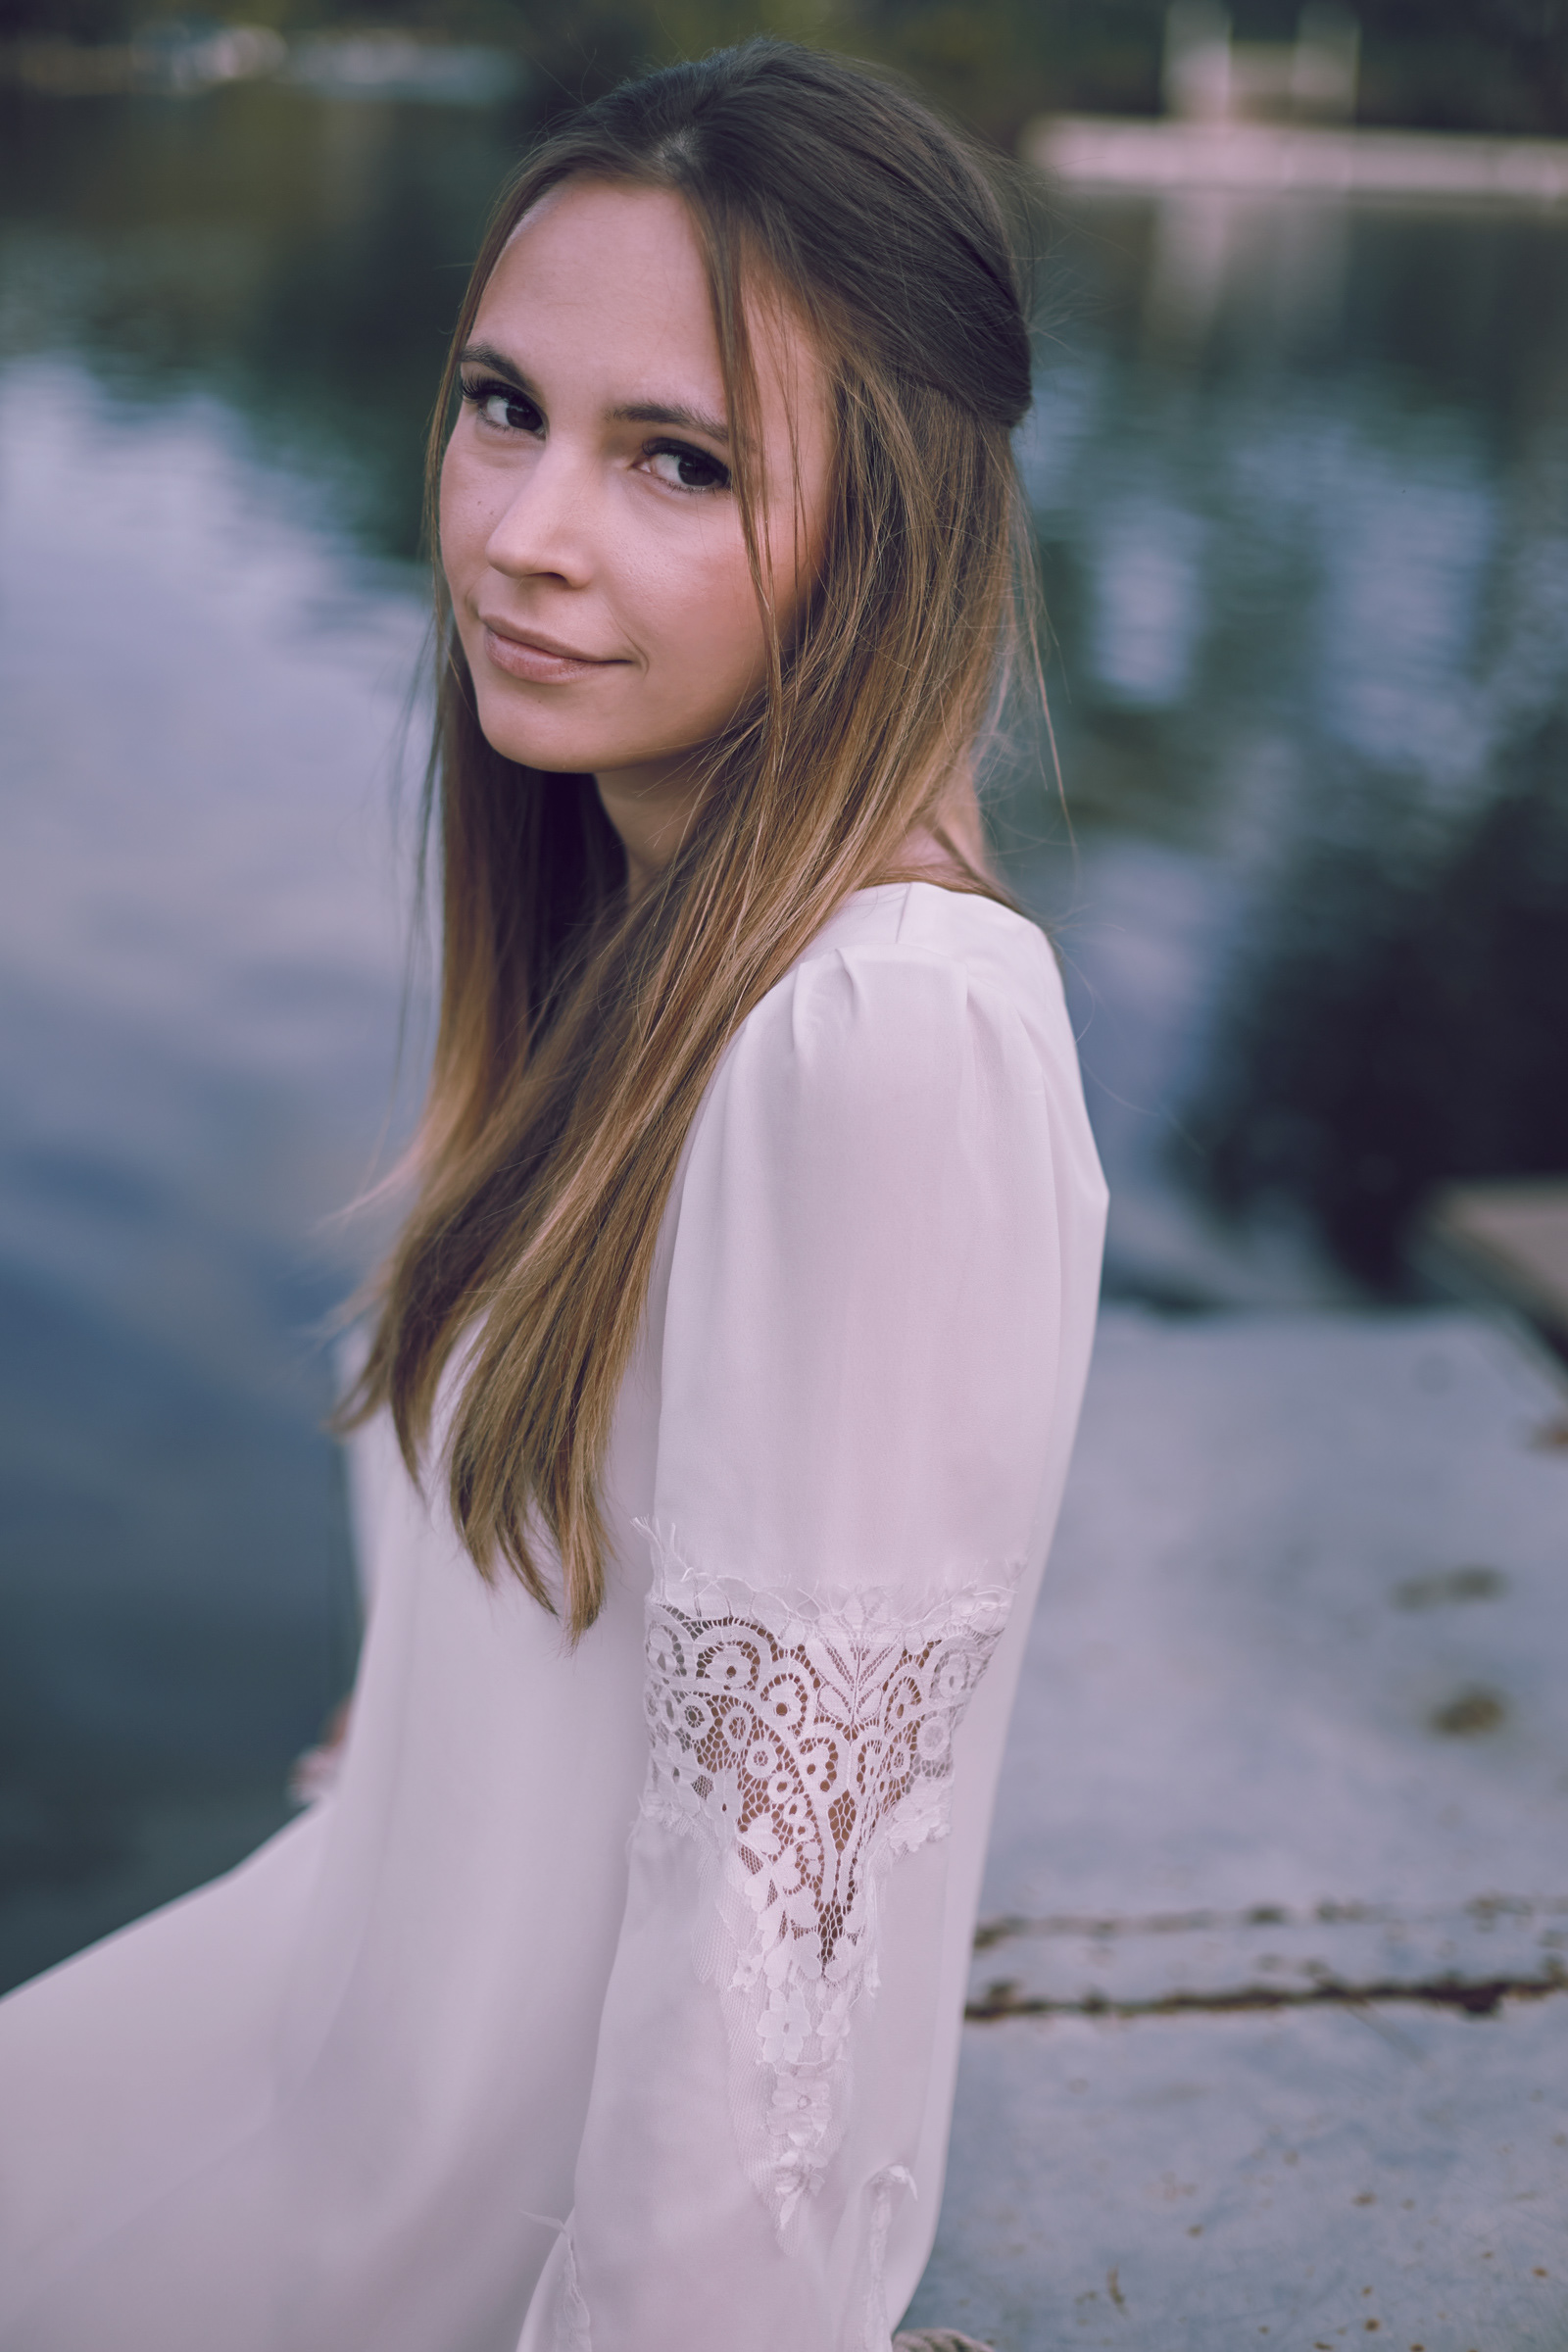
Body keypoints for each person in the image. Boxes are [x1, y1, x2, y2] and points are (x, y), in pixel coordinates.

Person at [0, 39, 1105, 2352]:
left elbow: (772, 1968)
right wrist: (415, 1747)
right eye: (502, 406)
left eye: (677, 463)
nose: (522, 532)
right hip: (335, 2024)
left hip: (451, 2234)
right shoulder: (623, 940)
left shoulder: (880, 1032)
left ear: (886, 533)